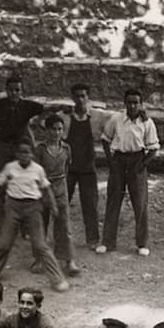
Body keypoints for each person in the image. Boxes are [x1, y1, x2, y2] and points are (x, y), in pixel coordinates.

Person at [0, 141, 70, 292]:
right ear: (17, 154)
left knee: (40, 245)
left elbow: (46, 188)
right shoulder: (10, 167)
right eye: (21, 152)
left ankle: (58, 279)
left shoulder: (38, 169)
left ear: (32, 154)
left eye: (27, 152)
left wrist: (53, 205)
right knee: (5, 243)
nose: (24, 156)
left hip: (33, 207)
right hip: (13, 207)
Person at [96, 89, 158, 257]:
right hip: (118, 161)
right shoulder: (116, 119)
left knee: (140, 203)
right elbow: (105, 138)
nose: (132, 106)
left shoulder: (147, 123)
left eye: (135, 102)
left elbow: (153, 148)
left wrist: (141, 166)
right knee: (113, 201)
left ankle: (142, 243)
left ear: (141, 104)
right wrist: (110, 161)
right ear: (124, 103)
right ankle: (107, 242)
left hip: (137, 161)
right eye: (129, 102)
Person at [0, 75, 45, 234]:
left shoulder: (27, 106)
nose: (14, 94)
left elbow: (45, 110)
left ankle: (24, 226)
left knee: (23, 183)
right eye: (11, 90)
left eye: (17, 90)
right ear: (6, 90)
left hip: (20, 150)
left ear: (21, 91)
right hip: (1, 147)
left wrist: (32, 135)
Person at [62, 83, 107, 249]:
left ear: (88, 98)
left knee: (90, 204)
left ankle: (93, 240)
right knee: (62, 203)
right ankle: (61, 238)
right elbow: (50, 122)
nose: (80, 99)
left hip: (88, 168)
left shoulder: (96, 116)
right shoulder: (65, 116)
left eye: (84, 96)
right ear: (72, 98)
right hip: (69, 168)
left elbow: (118, 117)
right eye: (77, 96)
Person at [35, 113, 78, 275]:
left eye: (60, 129)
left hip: (60, 189)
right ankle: (40, 259)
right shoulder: (40, 149)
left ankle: (69, 260)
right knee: (41, 224)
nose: (57, 133)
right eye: (53, 129)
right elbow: (35, 171)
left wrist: (60, 186)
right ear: (46, 131)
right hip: (42, 190)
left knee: (64, 224)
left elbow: (66, 168)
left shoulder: (66, 148)